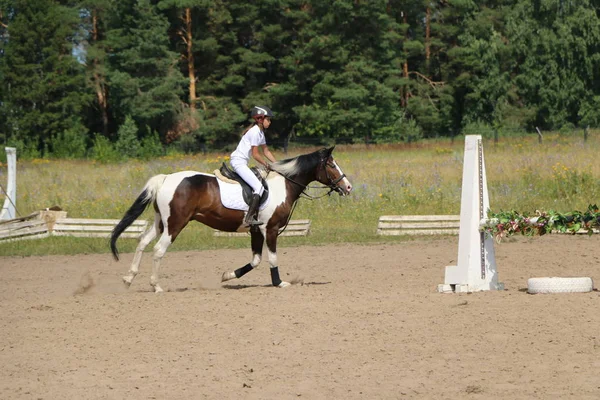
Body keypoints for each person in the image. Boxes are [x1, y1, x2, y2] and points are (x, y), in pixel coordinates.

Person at [230, 105, 277, 226]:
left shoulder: (260, 133)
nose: (270, 122)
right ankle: (249, 217)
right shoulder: (255, 132)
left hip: (242, 162)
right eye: (268, 119)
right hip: (238, 162)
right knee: (258, 187)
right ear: (260, 119)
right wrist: (267, 165)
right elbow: (256, 155)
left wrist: (277, 164)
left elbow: (266, 151)